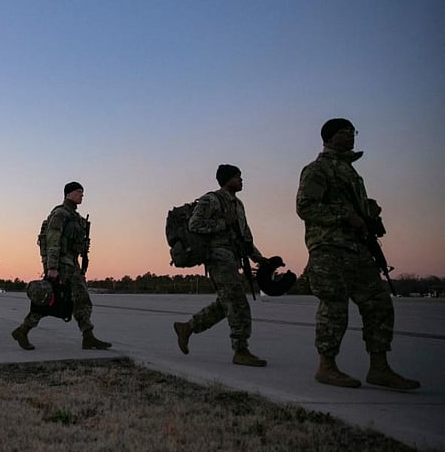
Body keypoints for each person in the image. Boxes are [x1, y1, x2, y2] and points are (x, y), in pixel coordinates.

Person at [296, 118, 419, 389]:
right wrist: (345, 215)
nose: (351, 136)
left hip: (357, 250)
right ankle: (326, 366)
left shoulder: (351, 173)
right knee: (334, 307)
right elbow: (305, 207)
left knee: (379, 304)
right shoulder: (317, 169)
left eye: (353, 132)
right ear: (329, 137)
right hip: (328, 249)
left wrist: (368, 213)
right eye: (344, 132)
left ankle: (379, 367)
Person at [172, 166, 268, 367]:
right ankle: (240, 350)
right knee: (238, 303)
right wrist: (223, 223)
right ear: (226, 180)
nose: (241, 180)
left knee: (226, 304)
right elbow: (194, 225)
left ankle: (187, 328)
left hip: (233, 258)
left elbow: (245, 237)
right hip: (218, 258)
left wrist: (259, 259)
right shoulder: (211, 199)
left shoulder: (239, 205)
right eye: (237, 177)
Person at [11, 182, 111, 350]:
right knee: (59, 299)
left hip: (72, 263)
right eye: (79, 192)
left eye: (82, 192)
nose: (82, 195)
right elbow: (53, 240)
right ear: (68, 194)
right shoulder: (60, 214)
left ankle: (88, 336)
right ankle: (23, 330)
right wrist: (52, 266)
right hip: (62, 264)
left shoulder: (76, 217)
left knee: (76, 299)